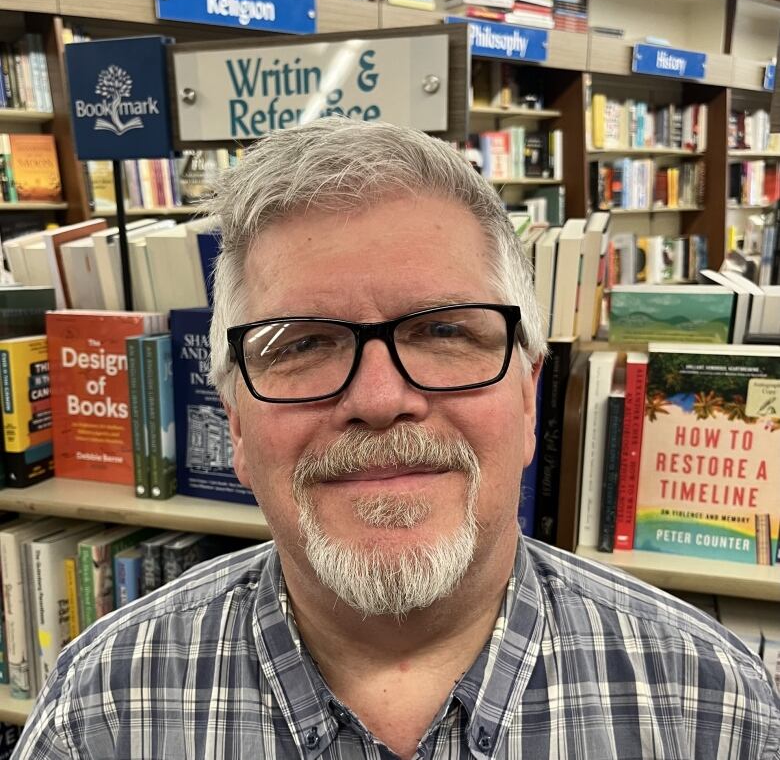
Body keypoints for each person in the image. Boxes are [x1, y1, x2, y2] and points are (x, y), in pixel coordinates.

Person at [14, 118, 779, 760]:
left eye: (445, 330)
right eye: (304, 343)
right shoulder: (103, 710)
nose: (380, 399)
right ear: (237, 424)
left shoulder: (710, 705)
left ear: (527, 398)